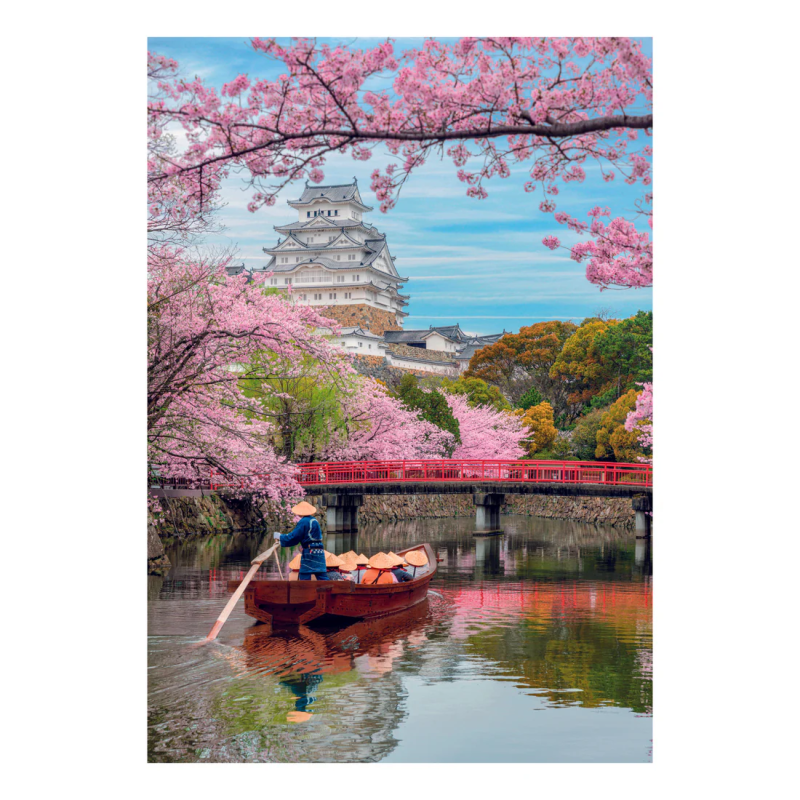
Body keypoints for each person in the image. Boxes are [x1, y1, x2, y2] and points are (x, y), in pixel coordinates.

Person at [274, 501, 328, 581]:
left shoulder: (303, 521)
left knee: (304, 574)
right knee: (321, 574)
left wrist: (280, 537)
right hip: (319, 551)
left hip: (310, 552)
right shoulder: (314, 520)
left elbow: (294, 537)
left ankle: (304, 592)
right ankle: (328, 590)